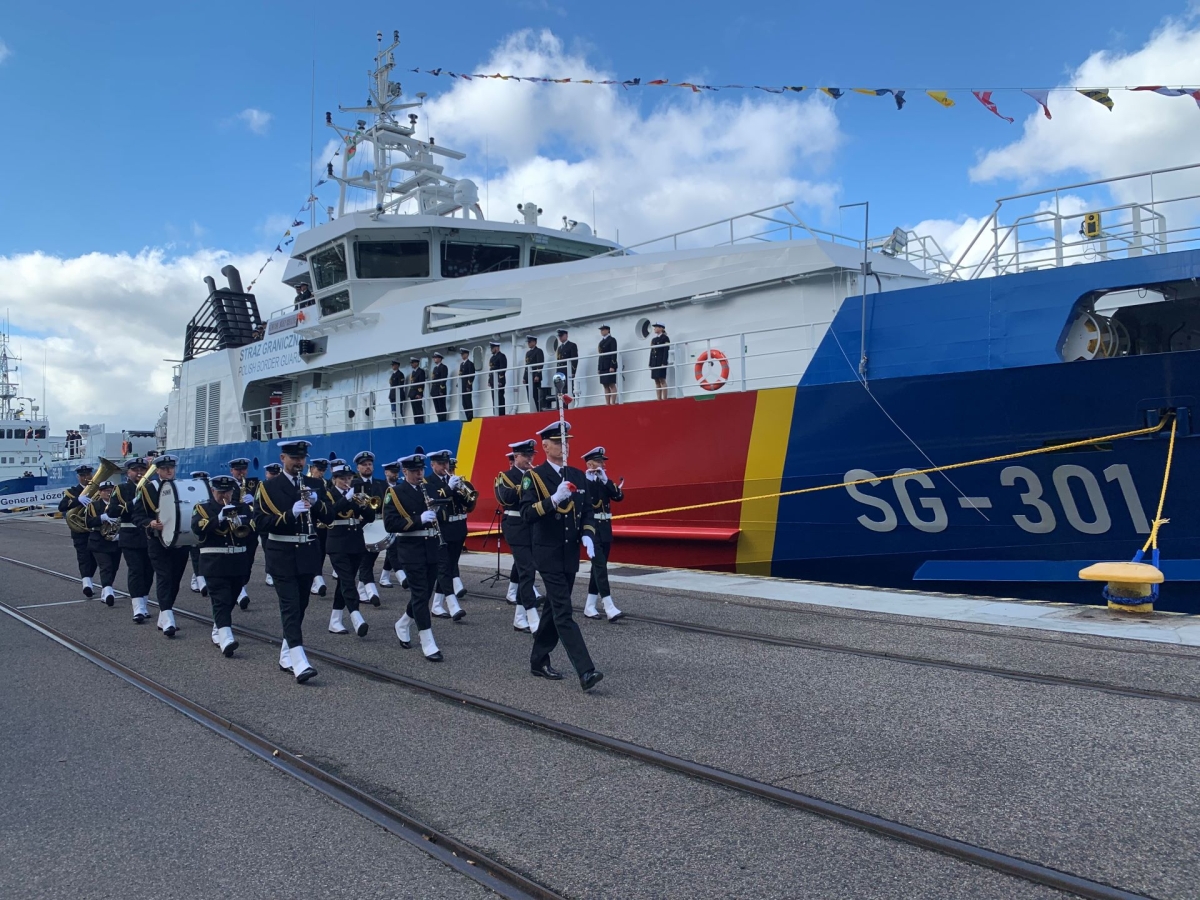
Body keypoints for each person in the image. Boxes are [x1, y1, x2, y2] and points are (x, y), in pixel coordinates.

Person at [520, 421, 603, 691]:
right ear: (544, 446)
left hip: (569, 553)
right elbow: (527, 514)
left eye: (567, 441)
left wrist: (588, 535)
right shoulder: (534, 477)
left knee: (553, 609)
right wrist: (554, 499)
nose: (564, 445)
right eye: (558, 442)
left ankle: (537, 660)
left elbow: (588, 510)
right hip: (547, 553)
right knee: (564, 612)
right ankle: (586, 670)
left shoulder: (578, 475)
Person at [254, 439, 333, 683]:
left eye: (302, 458)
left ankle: (286, 654)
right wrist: (290, 514)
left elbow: (330, 517)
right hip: (282, 553)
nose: (298, 462)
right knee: (289, 605)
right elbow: (260, 523)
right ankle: (299, 660)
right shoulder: (268, 487)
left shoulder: (314, 483)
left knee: (300, 605)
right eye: (293, 458)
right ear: (282, 459)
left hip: (308, 552)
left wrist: (318, 503)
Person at [384, 449, 444, 661]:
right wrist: (419, 519)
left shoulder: (428, 489)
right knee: (420, 594)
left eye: (421, 470)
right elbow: (390, 523)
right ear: (405, 471)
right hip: (410, 548)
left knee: (425, 593)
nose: (420, 474)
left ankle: (402, 623)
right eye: (415, 471)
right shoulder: (395, 493)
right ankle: (428, 642)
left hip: (430, 546)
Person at [190, 475, 255, 658]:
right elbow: (197, 527)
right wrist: (219, 518)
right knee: (221, 598)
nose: (224, 495)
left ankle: (218, 628)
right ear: (213, 491)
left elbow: (253, 531)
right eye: (220, 492)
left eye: (227, 491)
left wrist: (241, 523)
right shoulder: (203, 508)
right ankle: (226, 638)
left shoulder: (242, 508)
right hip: (214, 562)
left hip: (237, 562)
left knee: (231, 598)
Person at [133, 454, 191, 638]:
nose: (168, 470)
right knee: (164, 577)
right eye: (164, 468)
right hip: (157, 542)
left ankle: (165, 614)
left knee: (175, 579)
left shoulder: (182, 486)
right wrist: (150, 523)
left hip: (180, 542)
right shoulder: (149, 489)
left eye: (171, 467)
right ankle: (167, 617)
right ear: (157, 470)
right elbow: (137, 516)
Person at [496, 440, 541, 633]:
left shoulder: (535, 475)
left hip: (533, 526)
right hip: (515, 526)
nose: (529, 459)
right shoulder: (505, 476)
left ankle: (519, 617)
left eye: (531, 455)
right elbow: (505, 497)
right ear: (516, 457)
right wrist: (528, 482)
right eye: (525, 456)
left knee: (528, 570)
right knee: (527, 570)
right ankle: (532, 616)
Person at [323, 462, 373, 638]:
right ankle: (356, 616)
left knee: (345, 581)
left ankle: (335, 620)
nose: (346, 481)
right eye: (342, 479)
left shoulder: (355, 495)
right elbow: (329, 513)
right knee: (347, 580)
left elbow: (371, 517)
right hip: (337, 543)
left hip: (355, 542)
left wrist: (365, 505)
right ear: (335, 479)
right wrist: (347, 499)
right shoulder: (328, 493)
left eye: (349, 478)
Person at [425, 450, 475, 622]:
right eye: (440, 463)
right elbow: (431, 500)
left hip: (458, 528)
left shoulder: (454, 480)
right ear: (432, 465)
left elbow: (469, 504)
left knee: (450, 566)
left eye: (446, 463)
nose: (444, 467)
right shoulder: (428, 482)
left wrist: (464, 491)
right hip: (441, 529)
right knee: (444, 567)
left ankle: (437, 606)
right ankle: (453, 605)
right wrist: (449, 488)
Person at [108, 458, 154, 623]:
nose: (140, 473)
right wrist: (132, 503)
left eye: (142, 469)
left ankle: (144, 602)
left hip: (149, 535)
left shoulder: (151, 488)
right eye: (136, 470)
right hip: (130, 535)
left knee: (149, 571)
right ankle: (138, 607)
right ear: (128, 472)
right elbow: (112, 511)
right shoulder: (121, 489)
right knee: (136, 570)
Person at [582, 447, 624, 621]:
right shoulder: (584, 482)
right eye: (599, 462)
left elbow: (619, 496)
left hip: (605, 529)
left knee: (597, 569)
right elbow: (585, 502)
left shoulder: (603, 480)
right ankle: (609, 606)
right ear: (590, 463)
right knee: (600, 567)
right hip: (592, 530)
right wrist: (591, 480)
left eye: (602, 461)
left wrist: (605, 480)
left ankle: (590, 606)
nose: (602, 465)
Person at [351, 451, 387, 607]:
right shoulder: (353, 484)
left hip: (378, 527)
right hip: (361, 527)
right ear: (358, 467)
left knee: (370, 560)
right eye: (364, 465)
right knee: (365, 561)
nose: (367, 467)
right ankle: (372, 592)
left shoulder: (381, 484)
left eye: (370, 464)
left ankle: (361, 591)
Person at [59, 464, 98, 598]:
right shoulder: (72, 492)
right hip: (80, 531)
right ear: (78, 477)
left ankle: (90, 580)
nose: (86, 477)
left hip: (96, 529)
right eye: (82, 475)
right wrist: (77, 500)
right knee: (84, 557)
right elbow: (62, 506)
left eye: (88, 474)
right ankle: (87, 583)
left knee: (95, 559)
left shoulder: (99, 490)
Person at [229, 457, 262, 604]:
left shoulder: (254, 485)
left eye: (243, 470)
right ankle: (240, 591)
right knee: (237, 560)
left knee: (249, 559)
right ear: (232, 471)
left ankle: (242, 586)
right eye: (237, 470)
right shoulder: (227, 485)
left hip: (251, 528)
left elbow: (263, 504)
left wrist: (254, 500)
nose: (241, 473)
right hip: (234, 527)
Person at [84, 480, 121, 607]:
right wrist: (101, 518)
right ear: (99, 493)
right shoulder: (93, 506)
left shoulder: (118, 505)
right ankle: (108, 591)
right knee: (106, 566)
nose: (109, 492)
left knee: (114, 567)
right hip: (98, 542)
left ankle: (106, 592)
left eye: (111, 490)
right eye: (105, 490)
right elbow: (88, 522)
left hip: (115, 541)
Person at [378, 460, 408, 590]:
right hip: (385, 522)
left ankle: (384, 577)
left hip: (399, 522)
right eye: (392, 472)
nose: (395, 474)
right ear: (386, 473)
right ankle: (401, 577)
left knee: (393, 549)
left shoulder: (401, 487)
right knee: (392, 549)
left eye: (396, 472)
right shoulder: (380, 486)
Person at [307, 457, 331, 597]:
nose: (321, 473)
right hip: (311, 521)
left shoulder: (325, 483)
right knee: (313, 552)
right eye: (319, 470)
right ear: (312, 469)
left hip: (323, 523)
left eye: (323, 470)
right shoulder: (306, 482)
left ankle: (317, 578)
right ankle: (317, 578)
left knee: (321, 552)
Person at [188, 471, 211, 597]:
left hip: (206, 526)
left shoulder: (210, 492)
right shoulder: (189, 492)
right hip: (194, 525)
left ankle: (197, 578)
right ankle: (198, 579)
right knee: (196, 554)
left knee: (203, 555)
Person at [597, 325, 618, 406]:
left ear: (608, 330)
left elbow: (613, 353)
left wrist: (612, 365)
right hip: (603, 366)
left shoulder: (612, 340)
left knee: (611, 384)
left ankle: (613, 402)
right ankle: (607, 403)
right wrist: (599, 367)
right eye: (601, 330)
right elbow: (600, 355)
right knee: (605, 385)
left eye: (603, 330)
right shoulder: (601, 342)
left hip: (609, 365)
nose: (601, 331)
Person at [650, 322, 670, 400]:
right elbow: (652, 352)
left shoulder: (665, 338)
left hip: (660, 361)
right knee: (656, 381)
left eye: (657, 327)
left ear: (661, 328)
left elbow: (666, 350)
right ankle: (659, 398)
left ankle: (664, 398)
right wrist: (650, 363)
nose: (655, 328)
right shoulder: (654, 340)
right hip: (654, 362)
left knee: (662, 380)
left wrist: (664, 362)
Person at [523, 335, 545, 412]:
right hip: (528, 377)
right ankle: (532, 410)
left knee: (536, 395)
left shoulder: (538, 351)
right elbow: (527, 366)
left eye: (530, 342)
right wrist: (524, 377)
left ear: (534, 342)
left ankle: (538, 410)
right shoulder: (528, 353)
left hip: (535, 377)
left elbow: (540, 364)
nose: (528, 343)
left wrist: (537, 375)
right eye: (528, 342)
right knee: (530, 395)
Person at [555, 328, 579, 395]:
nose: (560, 337)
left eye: (561, 335)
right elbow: (558, 361)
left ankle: (571, 404)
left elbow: (574, 359)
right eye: (559, 336)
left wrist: (573, 371)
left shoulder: (572, 345)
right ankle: (564, 405)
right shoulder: (559, 348)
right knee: (562, 390)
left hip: (568, 371)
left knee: (569, 389)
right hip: (560, 372)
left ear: (566, 335)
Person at [488, 341, 507, 416]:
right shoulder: (492, 358)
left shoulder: (501, 356)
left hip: (499, 380)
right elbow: (491, 370)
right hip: (493, 381)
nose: (491, 350)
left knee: (500, 397)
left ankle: (501, 414)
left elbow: (503, 369)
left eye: (492, 348)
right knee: (494, 398)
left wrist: (500, 380)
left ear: (496, 348)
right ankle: (495, 413)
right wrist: (489, 380)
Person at [457, 348, 476, 422]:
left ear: (467, 354)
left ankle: (470, 417)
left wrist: (469, 385)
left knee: (468, 401)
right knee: (463, 402)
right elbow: (460, 374)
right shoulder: (462, 364)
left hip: (467, 385)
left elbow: (471, 375)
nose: (462, 355)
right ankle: (467, 416)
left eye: (463, 354)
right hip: (462, 385)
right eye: (461, 354)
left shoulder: (470, 364)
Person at [429, 351, 449, 422]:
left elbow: (443, 379)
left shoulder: (443, 367)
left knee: (442, 406)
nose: (435, 359)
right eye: (434, 358)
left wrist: (441, 389)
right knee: (437, 407)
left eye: (436, 358)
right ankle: (439, 419)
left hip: (440, 390)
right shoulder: (435, 368)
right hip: (434, 390)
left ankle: (443, 420)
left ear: (440, 359)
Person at [408, 357, 427, 424]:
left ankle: (420, 421)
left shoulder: (421, 371)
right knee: (414, 409)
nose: (411, 364)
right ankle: (416, 421)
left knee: (418, 408)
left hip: (417, 393)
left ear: (416, 363)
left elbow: (421, 383)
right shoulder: (413, 372)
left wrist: (420, 393)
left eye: (413, 363)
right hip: (412, 393)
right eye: (411, 363)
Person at [388, 360, 406, 425]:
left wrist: (397, 396)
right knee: (393, 411)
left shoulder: (400, 374)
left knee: (399, 411)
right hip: (392, 396)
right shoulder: (393, 375)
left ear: (397, 366)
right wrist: (390, 396)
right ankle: (395, 423)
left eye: (394, 365)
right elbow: (391, 386)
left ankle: (400, 424)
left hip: (398, 396)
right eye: (392, 365)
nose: (392, 366)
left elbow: (400, 386)